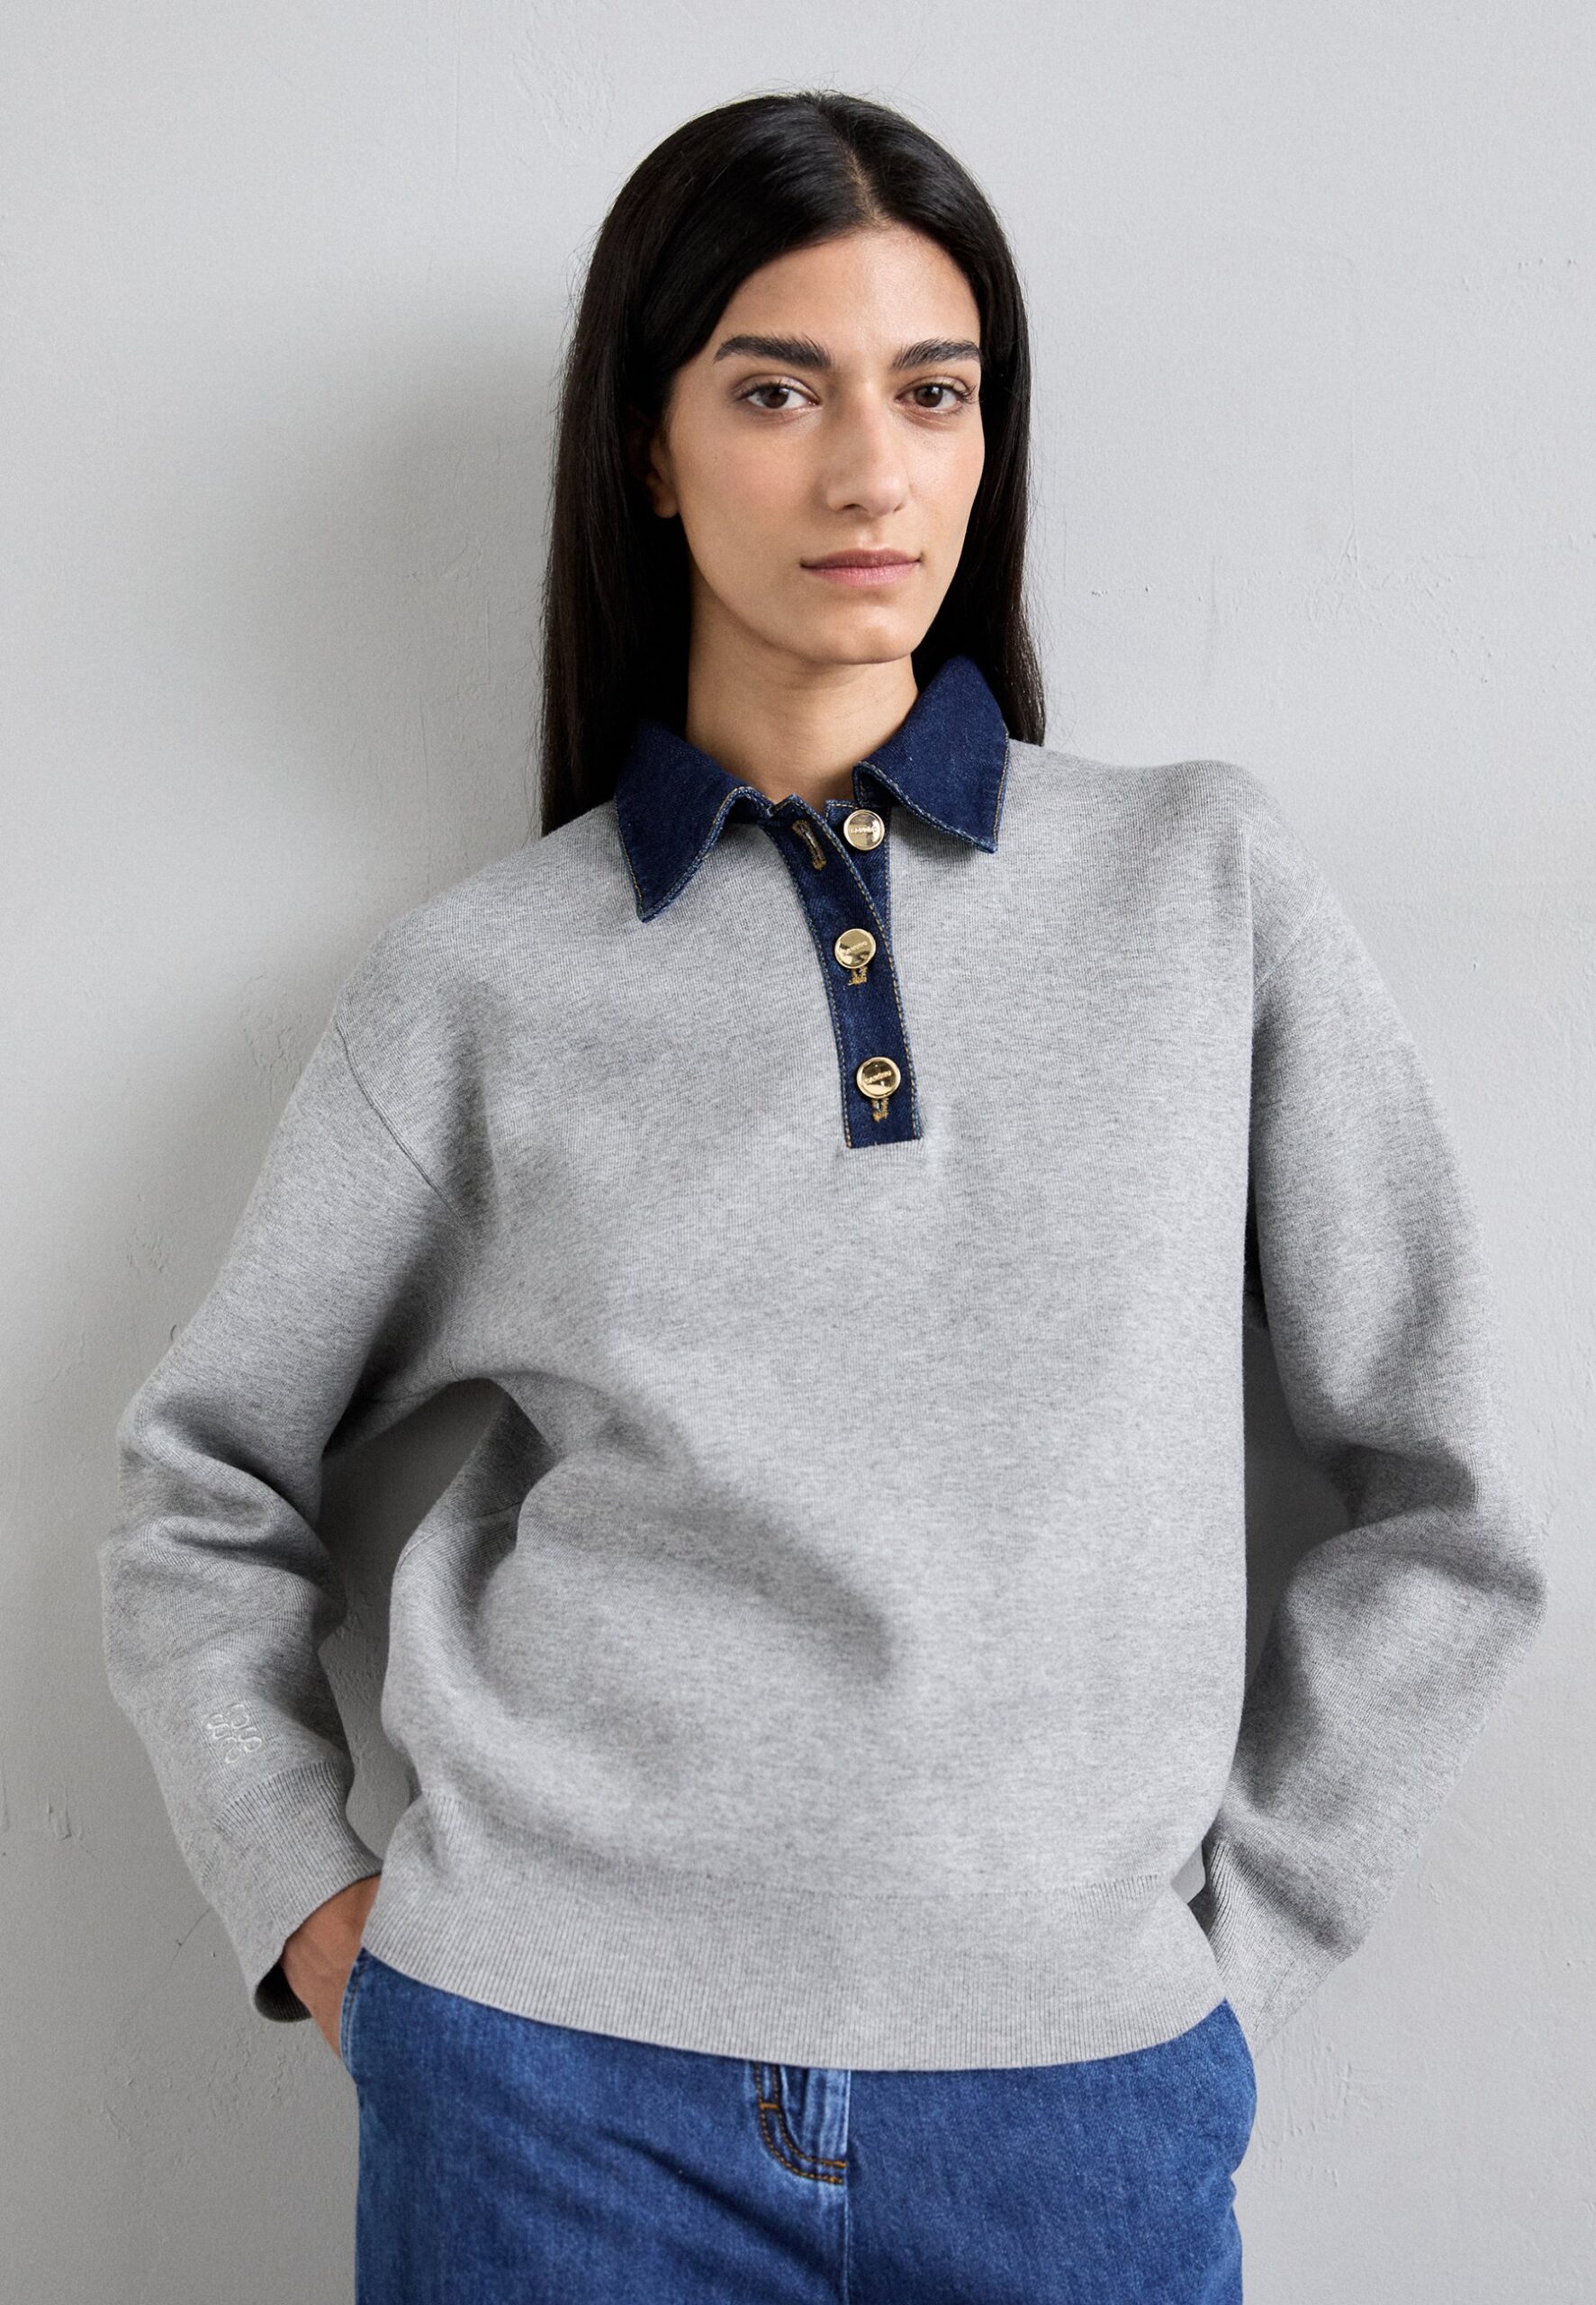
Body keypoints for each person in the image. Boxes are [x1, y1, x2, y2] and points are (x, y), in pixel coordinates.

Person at [99, 87, 1546, 2304]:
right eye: (776, 391)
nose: (871, 471)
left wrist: (1226, 1966)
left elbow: (1444, 1500)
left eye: (931, 392)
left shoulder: (1199, 886)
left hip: (1081, 2108)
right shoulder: (485, 979)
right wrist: (311, 1898)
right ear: (650, 447)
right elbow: (201, 1484)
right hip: (547, 2101)